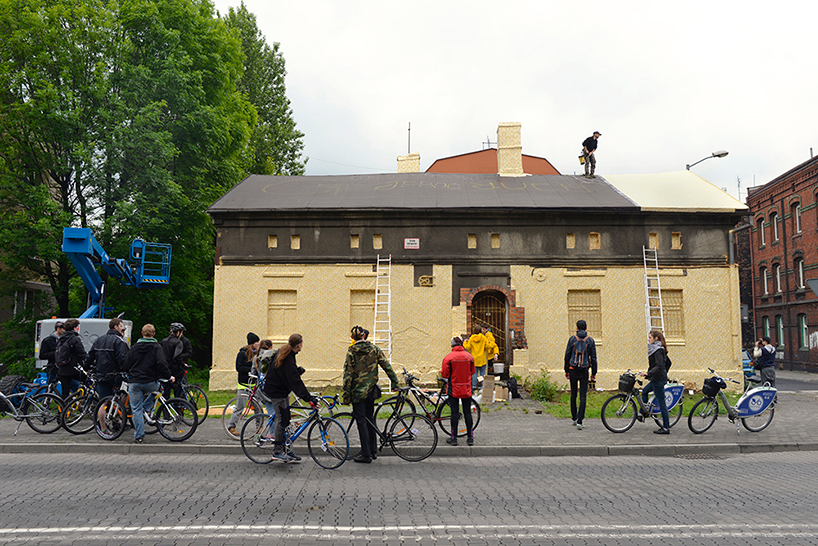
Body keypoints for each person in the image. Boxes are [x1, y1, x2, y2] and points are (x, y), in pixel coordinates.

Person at [342, 325, 399, 464]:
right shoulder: (374, 349)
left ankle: (365, 454)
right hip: (371, 391)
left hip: (357, 393)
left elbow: (348, 375)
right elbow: (386, 366)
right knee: (370, 419)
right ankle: (373, 451)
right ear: (363, 335)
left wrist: (346, 395)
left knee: (361, 422)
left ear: (352, 338)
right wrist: (395, 382)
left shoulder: (351, 352)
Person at [263, 334, 318, 462]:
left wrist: (297, 371)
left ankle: (287, 450)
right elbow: (295, 382)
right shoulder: (287, 357)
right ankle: (277, 451)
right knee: (282, 419)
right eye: (302, 343)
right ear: (299, 345)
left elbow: (286, 373)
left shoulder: (287, 353)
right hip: (276, 391)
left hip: (282, 389)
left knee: (287, 418)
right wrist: (308, 398)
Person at [126, 323, 174, 443]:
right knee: (158, 389)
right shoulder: (156, 347)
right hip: (150, 381)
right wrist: (169, 376)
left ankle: (139, 436)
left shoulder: (134, 347)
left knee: (136, 409)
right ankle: (146, 408)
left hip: (135, 382)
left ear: (142, 333)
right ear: (153, 334)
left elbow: (126, 363)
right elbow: (162, 364)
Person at [440, 336, 475, 446]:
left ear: (452, 346)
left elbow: (444, 374)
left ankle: (454, 438)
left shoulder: (448, 358)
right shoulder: (469, 357)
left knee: (454, 413)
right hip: (467, 388)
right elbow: (472, 372)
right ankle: (470, 438)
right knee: (467, 413)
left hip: (453, 388)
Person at [563, 320, 597, 430]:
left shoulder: (572, 339)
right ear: (586, 328)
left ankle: (574, 417)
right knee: (583, 395)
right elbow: (594, 358)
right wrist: (594, 373)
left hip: (573, 369)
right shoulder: (590, 340)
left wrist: (566, 370)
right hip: (584, 370)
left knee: (573, 394)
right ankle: (580, 421)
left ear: (576, 328)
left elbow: (567, 355)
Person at [226, 332, 261, 436]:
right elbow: (239, 368)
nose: (258, 344)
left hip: (254, 385)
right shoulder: (242, 354)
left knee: (257, 406)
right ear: (251, 343)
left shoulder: (257, 354)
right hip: (244, 384)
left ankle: (259, 426)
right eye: (256, 342)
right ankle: (232, 426)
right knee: (239, 407)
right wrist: (251, 369)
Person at [86, 317, 129, 400]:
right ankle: (119, 411)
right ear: (115, 327)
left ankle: (102, 412)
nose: (122, 328)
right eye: (121, 326)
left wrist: (86, 366)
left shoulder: (99, 340)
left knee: (103, 401)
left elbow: (90, 356)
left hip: (101, 375)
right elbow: (122, 359)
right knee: (125, 395)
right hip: (115, 375)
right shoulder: (119, 341)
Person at [641, 330, 670, 435]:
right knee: (644, 391)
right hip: (656, 378)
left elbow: (659, 366)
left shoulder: (657, 350)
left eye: (650, 337)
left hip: (658, 380)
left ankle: (666, 427)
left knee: (662, 403)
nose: (648, 339)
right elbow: (668, 363)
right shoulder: (656, 349)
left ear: (655, 339)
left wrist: (648, 373)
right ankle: (643, 412)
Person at [54, 318, 87, 399]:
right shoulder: (75, 339)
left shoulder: (61, 339)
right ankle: (83, 403)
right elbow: (82, 354)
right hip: (73, 369)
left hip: (62, 369)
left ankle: (62, 410)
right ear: (74, 328)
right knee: (88, 383)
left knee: (65, 393)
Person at [463, 325, 498, 392]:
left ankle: (473, 386)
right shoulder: (483, 338)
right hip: (482, 359)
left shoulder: (471, 338)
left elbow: (468, 347)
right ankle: (482, 387)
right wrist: (492, 343)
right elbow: (487, 346)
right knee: (482, 374)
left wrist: (465, 342)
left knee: (474, 374)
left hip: (474, 359)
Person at [160, 323, 188, 399]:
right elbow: (177, 356)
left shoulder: (163, 341)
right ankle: (178, 407)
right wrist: (182, 364)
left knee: (166, 393)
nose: (181, 335)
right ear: (177, 332)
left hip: (165, 370)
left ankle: (166, 409)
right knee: (178, 390)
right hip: (175, 370)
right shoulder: (178, 342)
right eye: (181, 332)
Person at [39, 321, 65, 387]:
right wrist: (56, 353)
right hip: (53, 368)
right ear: (58, 328)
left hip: (64, 368)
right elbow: (42, 355)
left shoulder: (65, 340)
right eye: (63, 329)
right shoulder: (47, 341)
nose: (64, 331)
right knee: (51, 386)